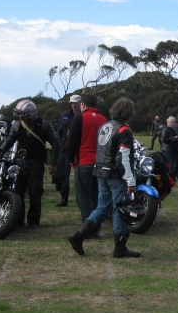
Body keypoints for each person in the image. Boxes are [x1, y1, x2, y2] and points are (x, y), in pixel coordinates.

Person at [68, 97, 141, 258]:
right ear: (128, 113)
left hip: (100, 171)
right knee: (119, 209)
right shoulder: (123, 130)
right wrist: (130, 181)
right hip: (115, 174)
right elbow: (123, 157)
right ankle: (120, 247)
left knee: (102, 207)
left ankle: (79, 235)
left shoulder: (105, 126)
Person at [0, 99, 59, 228]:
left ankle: (33, 221)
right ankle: (17, 219)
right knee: (17, 191)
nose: (20, 118)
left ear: (30, 114)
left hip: (36, 163)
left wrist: (53, 163)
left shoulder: (44, 125)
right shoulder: (17, 125)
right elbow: (10, 140)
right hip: (19, 162)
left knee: (35, 193)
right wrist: (0, 151)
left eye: (22, 115)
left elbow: (55, 143)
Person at [67, 94, 107, 228]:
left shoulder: (80, 118)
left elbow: (71, 141)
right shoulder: (103, 119)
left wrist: (70, 159)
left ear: (83, 104)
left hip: (84, 161)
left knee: (83, 197)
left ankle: (88, 227)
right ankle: (96, 225)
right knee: (96, 196)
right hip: (101, 163)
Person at [54, 94, 80, 207]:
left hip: (79, 149)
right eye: (72, 103)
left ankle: (81, 198)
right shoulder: (65, 116)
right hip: (65, 148)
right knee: (64, 174)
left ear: (80, 103)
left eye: (75, 102)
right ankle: (64, 198)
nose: (73, 105)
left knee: (79, 175)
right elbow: (59, 132)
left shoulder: (84, 116)